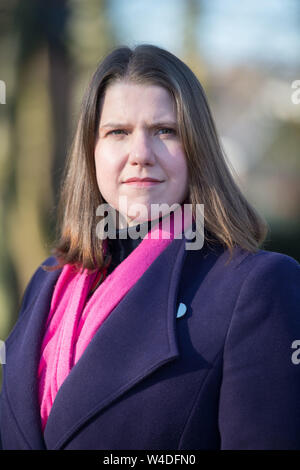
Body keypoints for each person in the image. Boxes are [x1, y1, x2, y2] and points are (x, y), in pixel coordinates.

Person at [0, 44, 300, 451]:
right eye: (117, 132)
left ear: (198, 150)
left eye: (165, 131)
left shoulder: (258, 286)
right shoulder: (46, 282)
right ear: (91, 152)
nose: (140, 154)